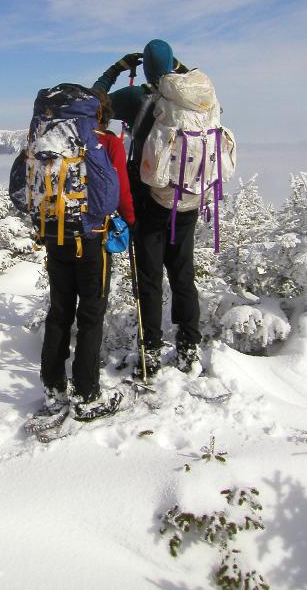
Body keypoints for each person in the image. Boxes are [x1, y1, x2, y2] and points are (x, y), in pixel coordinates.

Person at [93, 39, 202, 376]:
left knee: (150, 278)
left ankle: (151, 350)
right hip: (186, 199)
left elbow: (92, 104)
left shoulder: (136, 98)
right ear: (173, 66)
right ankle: (188, 347)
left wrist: (116, 70)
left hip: (148, 200)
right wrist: (178, 70)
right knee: (183, 275)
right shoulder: (198, 100)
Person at [39, 88, 135, 420]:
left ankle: (53, 390)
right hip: (92, 239)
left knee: (59, 312)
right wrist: (131, 222)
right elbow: (119, 190)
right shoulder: (107, 142)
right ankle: (86, 395)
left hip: (55, 235)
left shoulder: (49, 137)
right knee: (91, 317)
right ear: (100, 113)